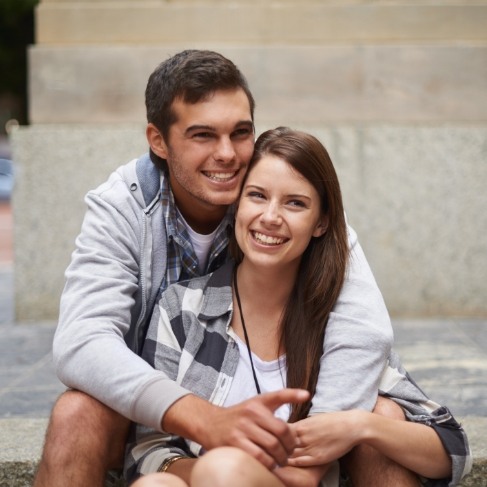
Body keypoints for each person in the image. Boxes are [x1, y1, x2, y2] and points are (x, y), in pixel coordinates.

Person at [34, 50, 394, 487]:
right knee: (76, 412)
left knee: (382, 416)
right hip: (140, 414)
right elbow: (81, 341)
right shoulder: (122, 207)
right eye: (203, 135)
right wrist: (205, 420)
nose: (227, 154)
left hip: (280, 432)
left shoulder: (273, 202)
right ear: (158, 140)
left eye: (240, 133)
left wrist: (315, 447)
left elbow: (364, 329)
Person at [123, 128, 471, 487]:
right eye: (257, 196)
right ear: (236, 205)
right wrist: (226, 474)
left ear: (321, 222)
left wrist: (358, 425)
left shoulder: (341, 323)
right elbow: (149, 447)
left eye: (295, 203)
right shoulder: (182, 311)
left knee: (384, 412)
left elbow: (453, 448)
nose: (271, 217)